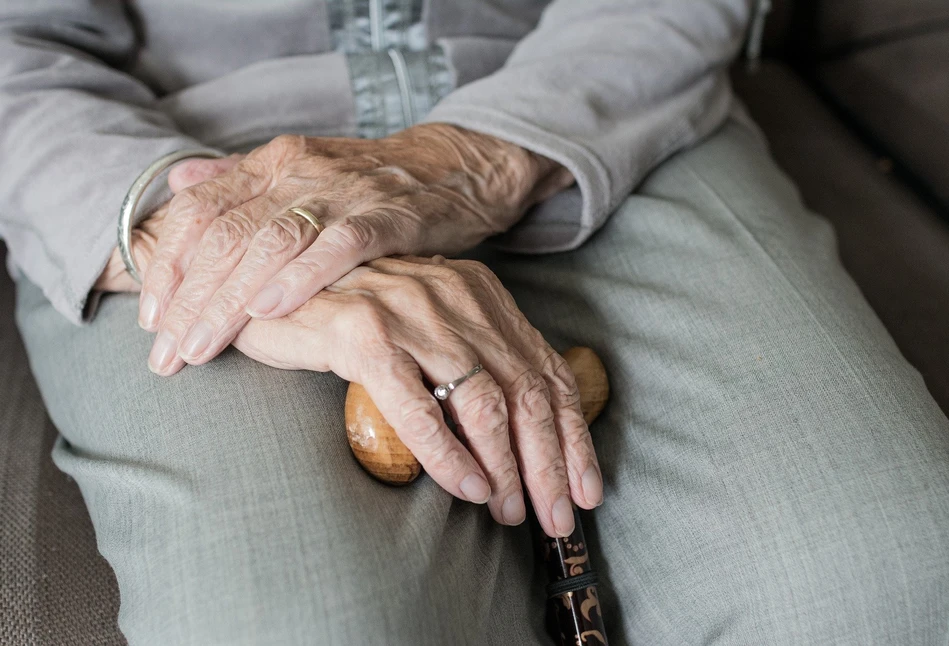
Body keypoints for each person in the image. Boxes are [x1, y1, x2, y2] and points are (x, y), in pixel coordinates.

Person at [2, 1, 948, 644]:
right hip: (176, 161)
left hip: (599, 104)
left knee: (887, 576)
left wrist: (469, 159)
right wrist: (218, 245)